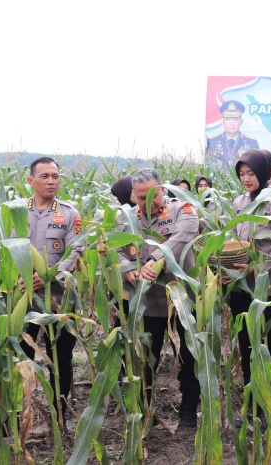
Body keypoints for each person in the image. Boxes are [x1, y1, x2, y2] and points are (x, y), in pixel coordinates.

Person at [0, 157, 85, 430]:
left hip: (59, 299)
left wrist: (46, 276)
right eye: (44, 176)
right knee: (20, 357)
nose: (51, 181)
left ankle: (60, 417)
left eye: (55, 176)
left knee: (61, 360)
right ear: (30, 181)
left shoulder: (69, 214)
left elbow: (75, 252)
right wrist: (12, 276)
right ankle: (12, 416)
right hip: (22, 298)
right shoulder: (14, 212)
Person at [115, 168, 200, 428]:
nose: (148, 202)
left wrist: (155, 259)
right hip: (146, 304)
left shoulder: (182, 209)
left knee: (189, 359)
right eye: (141, 197)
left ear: (162, 189)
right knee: (144, 360)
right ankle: (146, 413)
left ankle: (188, 414)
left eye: (154, 195)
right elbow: (116, 249)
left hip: (180, 302)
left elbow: (183, 236)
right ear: (132, 195)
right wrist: (126, 268)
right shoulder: (127, 218)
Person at [224, 149, 271, 419]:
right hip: (240, 288)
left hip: (267, 286)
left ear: (263, 172)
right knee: (247, 344)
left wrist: (254, 266)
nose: (246, 179)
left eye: (251, 173)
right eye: (241, 174)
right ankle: (252, 404)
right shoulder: (239, 202)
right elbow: (232, 237)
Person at [206, 100, 260, 165]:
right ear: (222, 122)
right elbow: (207, 165)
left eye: (235, 119)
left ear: (241, 122)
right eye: (228, 119)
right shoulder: (212, 141)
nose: (231, 123)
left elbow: (257, 165)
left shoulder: (252, 142)